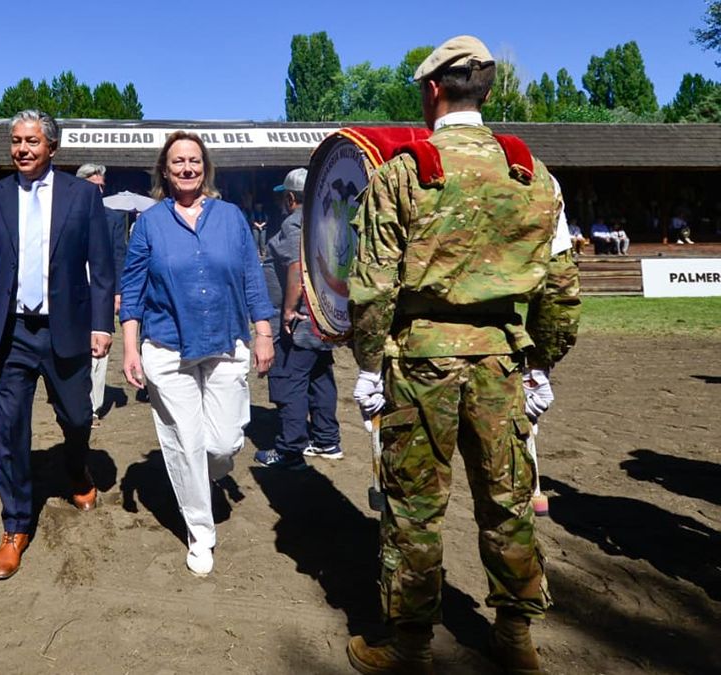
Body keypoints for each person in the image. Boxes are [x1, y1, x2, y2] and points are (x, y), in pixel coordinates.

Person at [345, 36, 580, 675]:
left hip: (420, 363)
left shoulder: (403, 172)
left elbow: (372, 286)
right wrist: (542, 364)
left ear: (432, 91)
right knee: (508, 500)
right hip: (503, 363)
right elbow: (561, 286)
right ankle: (515, 638)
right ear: (487, 90)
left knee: (415, 508)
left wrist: (368, 366)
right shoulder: (535, 174)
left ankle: (411, 645)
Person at [0, 110, 114, 580]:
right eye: (16, 141)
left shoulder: (83, 197)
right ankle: (15, 525)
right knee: (10, 430)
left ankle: (76, 468)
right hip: (11, 331)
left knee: (76, 416)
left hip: (66, 328)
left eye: (31, 141)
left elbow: (102, 269)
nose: (22, 149)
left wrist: (101, 324)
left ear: (52, 147)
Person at [120, 131, 275, 577]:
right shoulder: (150, 223)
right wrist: (130, 348)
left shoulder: (230, 217)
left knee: (224, 443)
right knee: (185, 443)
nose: (186, 168)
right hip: (167, 348)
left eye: (193, 160)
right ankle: (201, 533)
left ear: (204, 167)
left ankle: (201, 475)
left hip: (227, 342)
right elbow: (132, 290)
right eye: (177, 162)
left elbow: (251, 278)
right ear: (164, 173)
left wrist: (262, 332)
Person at [255, 168, 342, 470]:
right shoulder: (326, 220)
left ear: (290, 197)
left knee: (290, 380)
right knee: (320, 377)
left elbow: (296, 268)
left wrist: (289, 309)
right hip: (322, 317)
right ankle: (326, 439)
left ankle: (291, 449)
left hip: (300, 319)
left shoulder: (295, 224)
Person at [75, 162, 129, 427]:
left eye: (101, 187)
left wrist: (118, 292)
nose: (98, 191)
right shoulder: (64, 215)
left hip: (102, 293)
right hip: (70, 293)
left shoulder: (114, 219)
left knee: (100, 350)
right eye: (93, 186)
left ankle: (93, 407)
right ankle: (72, 398)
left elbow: (120, 257)